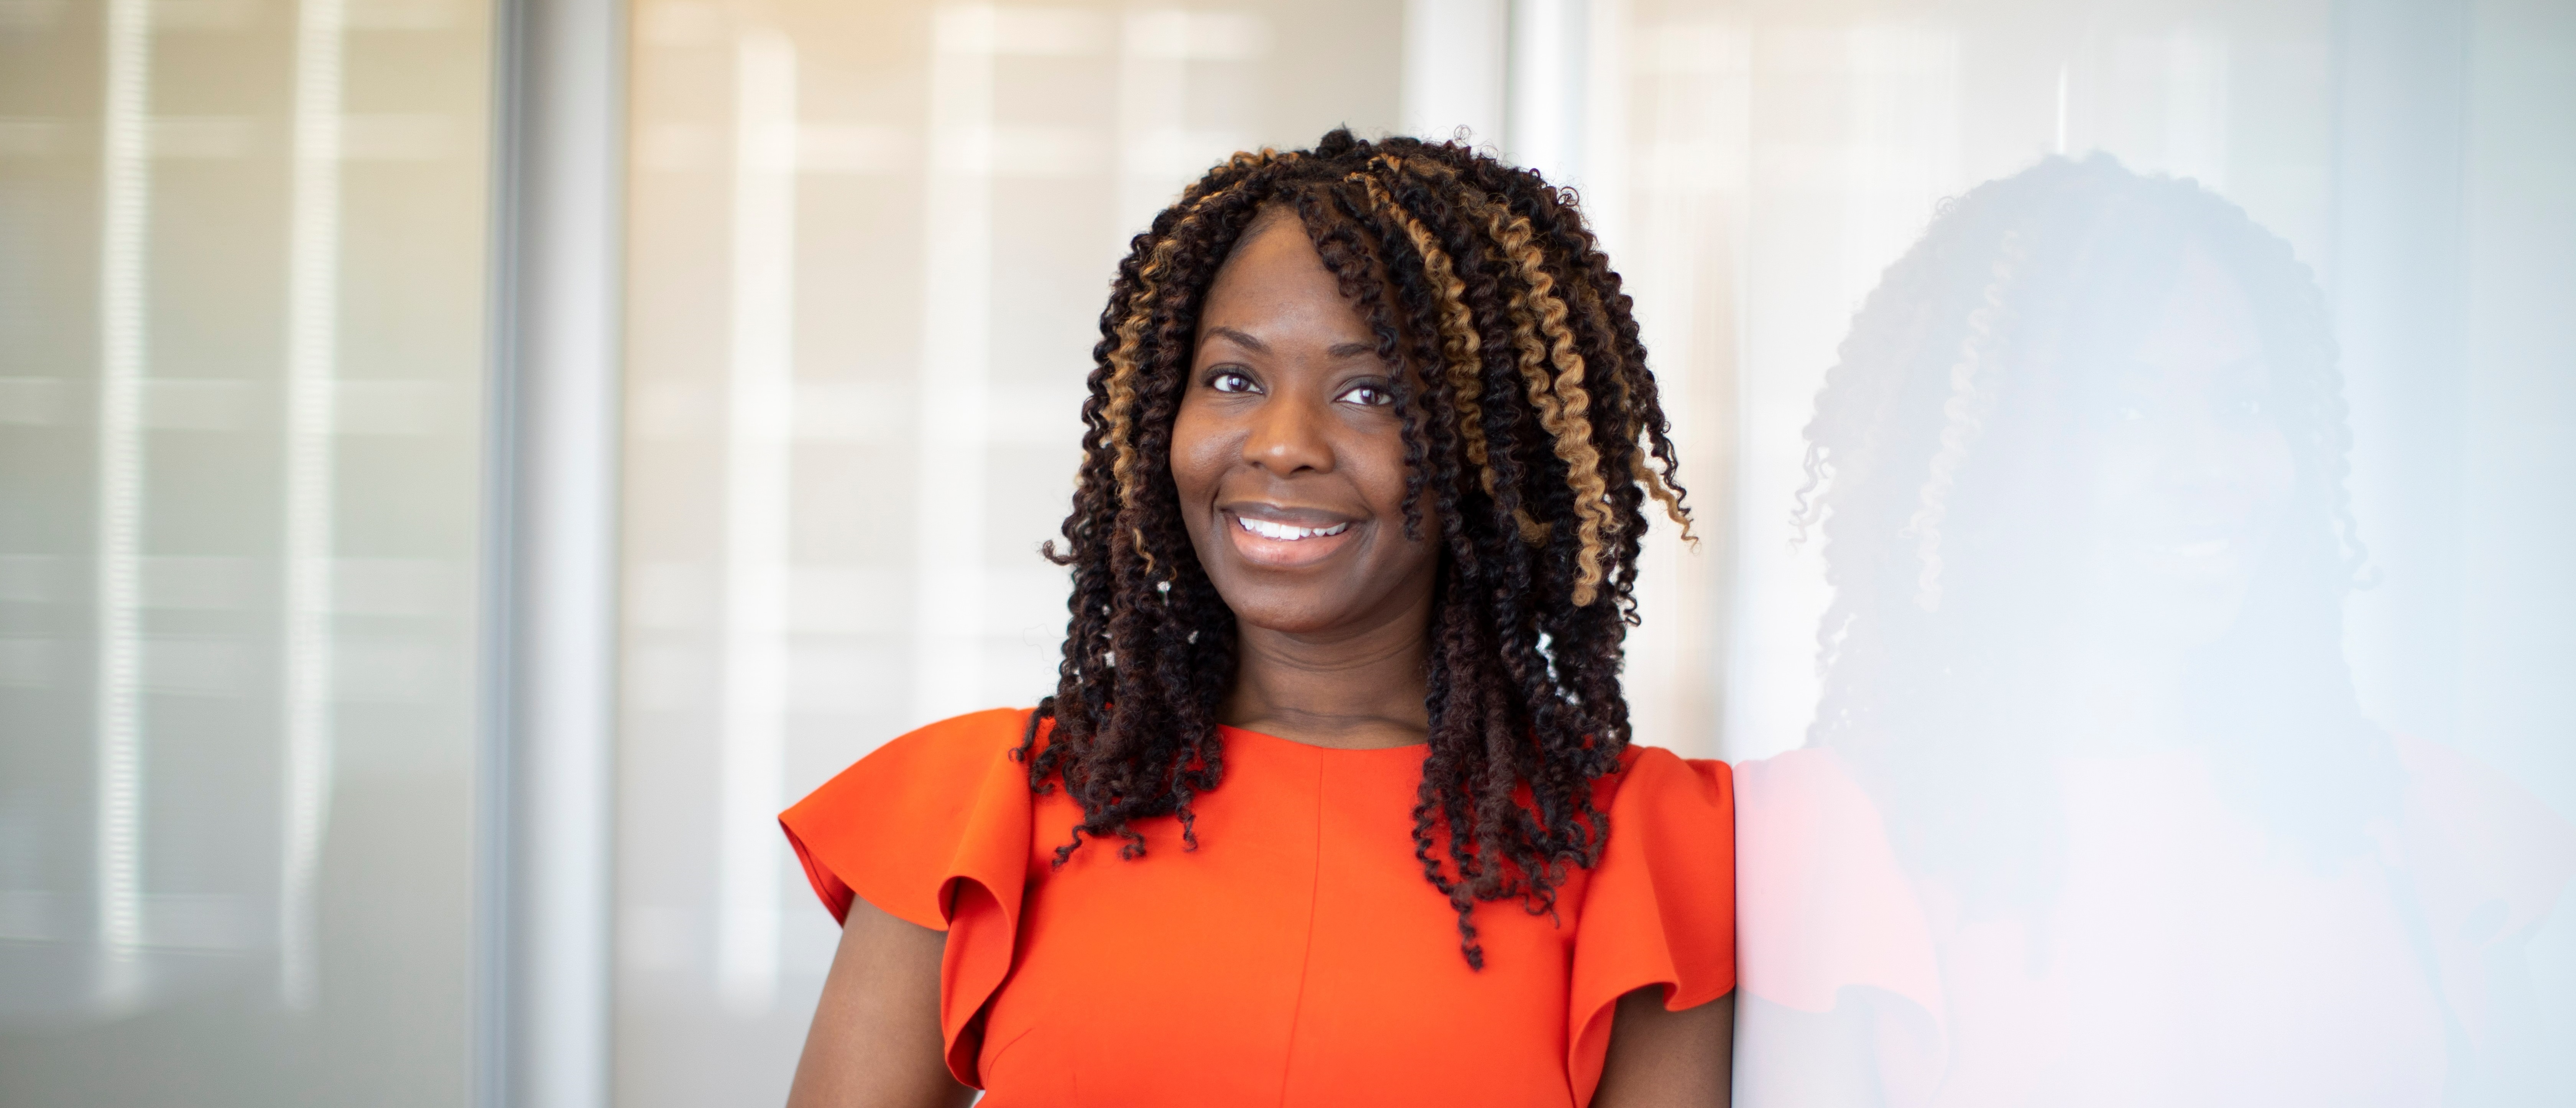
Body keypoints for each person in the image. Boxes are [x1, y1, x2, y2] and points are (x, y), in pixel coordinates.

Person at [778, 129, 1738, 1108]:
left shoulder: (1635, 847)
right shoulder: (975, 810)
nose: (1282, 446)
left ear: (1497, 456)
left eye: (1371, 393)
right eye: (1234, 379)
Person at [1731, 154, 2576, 1106]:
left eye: (2244, 403)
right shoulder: (1833, 837)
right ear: (1989, 459)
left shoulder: (2429, 822)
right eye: (2126, 408)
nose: (2208, 465)